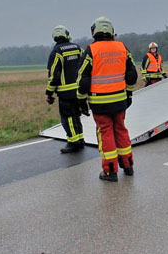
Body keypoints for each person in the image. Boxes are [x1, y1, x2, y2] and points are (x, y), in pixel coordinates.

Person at [77, 17, 138, 182]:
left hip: (100, 103)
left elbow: (83, 78)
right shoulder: (122, 47)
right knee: (121, 129)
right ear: (111, 31)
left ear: (94, 32)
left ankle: (110, 171)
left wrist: (81, 100)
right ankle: (128, 165)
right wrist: (129, 93)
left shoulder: (91, 50)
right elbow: (132, 74)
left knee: (105, 133)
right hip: (120, 101)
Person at [45, 25, 84, 153]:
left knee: (68, 118)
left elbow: (53, 75)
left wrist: (49, 93)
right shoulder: (77, 48)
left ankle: (74, 142)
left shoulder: (56, 52)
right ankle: (80, 138)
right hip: (78, 90)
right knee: (76, 116)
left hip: (65, 91)